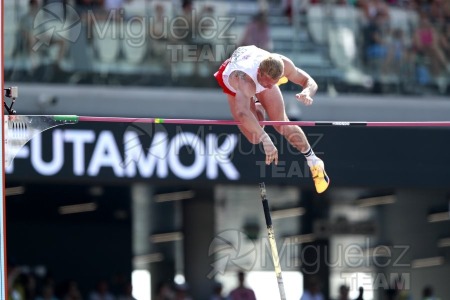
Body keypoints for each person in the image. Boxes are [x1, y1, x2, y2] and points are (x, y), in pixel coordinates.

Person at [214, 45, 330, 193]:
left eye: (274, 82)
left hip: (257, 70)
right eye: (267, 82)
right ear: (259, 72)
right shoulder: (245, 80)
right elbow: (242, 112)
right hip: (235, 80)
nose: (269, 87)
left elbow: (308, 80)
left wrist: (307, 92)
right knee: (254, 136)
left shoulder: (281, 64)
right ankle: (257, 104)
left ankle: (314, 161)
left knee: (283, 125)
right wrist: (265, 138)